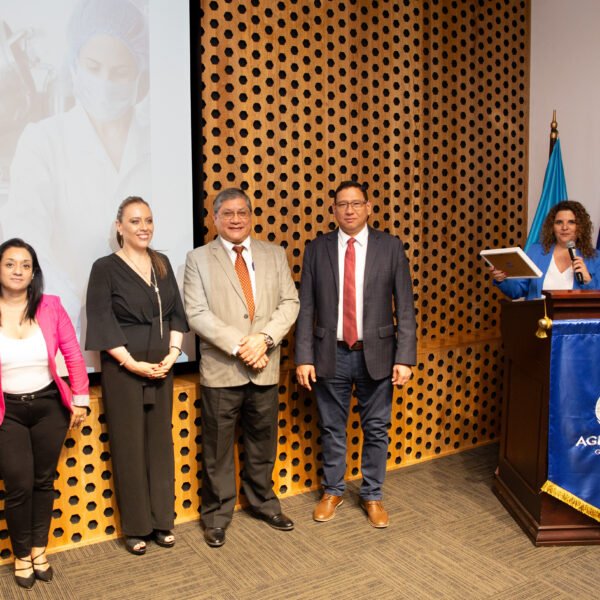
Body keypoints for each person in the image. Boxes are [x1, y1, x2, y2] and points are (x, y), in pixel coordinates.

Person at [2, 0, 150, 340]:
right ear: (74, 66)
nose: (105, 83)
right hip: (65, 323)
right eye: (93, 67)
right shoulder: (43, 140)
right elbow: (28, 240)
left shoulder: (156, 142)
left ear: (138, 74)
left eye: (120, 72)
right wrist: (72, 311)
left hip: (142, 326)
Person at [295, 181, 417, 528]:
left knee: (376, 428)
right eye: (342, 204)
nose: (349, 210)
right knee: (331, 427)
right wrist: (304, 357)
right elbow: (306, 307)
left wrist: (405, 357)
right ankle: (332, 490)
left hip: (377, 354)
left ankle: (372, 494)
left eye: (356, 203)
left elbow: (405, 306)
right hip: (329, 353)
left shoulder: (390, 247)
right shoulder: (317, 248)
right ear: (333, 210)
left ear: (368, 207)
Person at [184, 187, 300, 548]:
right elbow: (196, 312)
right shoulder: (197, 258)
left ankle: (263, 503)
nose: (236, 219)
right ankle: (217, 515)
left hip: (265, 364)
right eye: (228, 213)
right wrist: (241, 345)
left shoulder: (274, 254)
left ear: (251, 216)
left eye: (242, 213)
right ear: (215, 218)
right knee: (217, 448)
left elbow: (290, 302)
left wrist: (263, 339)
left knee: (263, 442)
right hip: (223, 369)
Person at [85, 197, 188, 555]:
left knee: (160, 445)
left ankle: (162, 521)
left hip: (162, 368)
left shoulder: (162, 263)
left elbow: (176, 314)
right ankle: (137, 527)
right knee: (129, 447)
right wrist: (130, 363)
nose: (143, 227)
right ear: (119, 227)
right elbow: (101, 318)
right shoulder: (105, 268)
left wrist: (173, 355)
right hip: (123, 370)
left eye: (148, 220)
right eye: (134, 221)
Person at [0, 238, 89, 590]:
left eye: (26, 265)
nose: (18, 271)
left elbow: (73, 353)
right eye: (10, 263)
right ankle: (21, 554)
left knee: (43, 481)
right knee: (19, 484)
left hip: (48, 406)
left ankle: (39, 550)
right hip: (7, 412)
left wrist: (80, 398)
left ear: (34, 272)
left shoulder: (50, 306)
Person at [491, 200, 599, 298]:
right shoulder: (535, 252)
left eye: (571, 222)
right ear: (552, 227)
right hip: (538, 313)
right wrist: (501, 280)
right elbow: (517, 291)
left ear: (580, 227)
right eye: (559, 222)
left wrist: (588, 281)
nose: (564, 227)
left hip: (573, 314)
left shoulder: (595, 258)